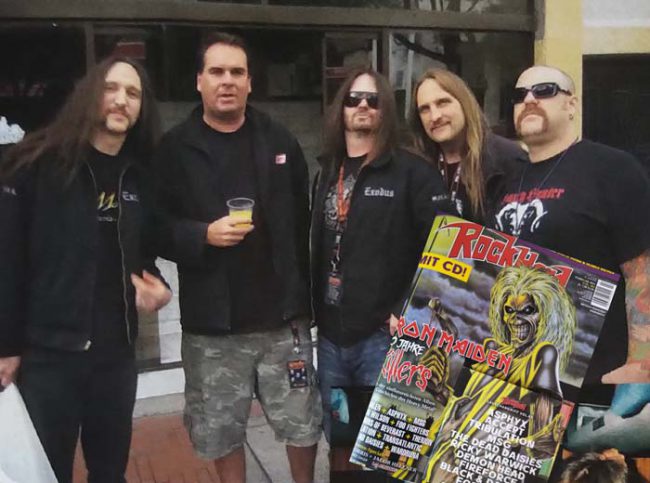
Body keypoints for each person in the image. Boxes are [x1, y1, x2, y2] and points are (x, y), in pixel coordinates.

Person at [151, 32, 320, 483]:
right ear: (199, 81)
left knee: (302, 422)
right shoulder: (175, 149)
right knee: (221, 432)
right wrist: (201, 234)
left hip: (282, 321)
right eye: (217, 71)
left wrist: (305, 300)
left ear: (249, 82)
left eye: (236, 72)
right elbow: (153, 226)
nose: (227, 80)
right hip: (213, 327)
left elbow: (303, 218)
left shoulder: (279, 139)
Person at [0, 57, 171, 483]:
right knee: (45, 473)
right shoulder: (38, 164)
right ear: (89, 95)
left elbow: (141, 252)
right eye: (111, 88)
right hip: (50, 356)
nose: (121, 100)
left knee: (110, 472)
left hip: (115, 358)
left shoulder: (138, 176)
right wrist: (6, 345)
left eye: (133, 93)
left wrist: (158, 286)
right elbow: (8, 259)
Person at [311, 67, 450, 438]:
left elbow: (446, 250)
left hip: (384, 337)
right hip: (331, 336)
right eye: (353, 99)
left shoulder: (413, 172)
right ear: (340, 108)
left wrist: (410, 307)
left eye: (373, 100)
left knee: (388, 445)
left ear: (385, 109)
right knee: (340, 438)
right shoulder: (327, 170)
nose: (363, 106)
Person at [492, 65, 650, 390]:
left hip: (595, 379)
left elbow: (641, 270)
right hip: (521, 377)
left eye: (545, 90)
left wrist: (640, 364)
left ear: (572, 105)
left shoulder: (613, 168)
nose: (530, 99)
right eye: (520, 95)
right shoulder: (505, 181)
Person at [410, 68, 526, 223]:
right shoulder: (415, 166)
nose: (435, 116)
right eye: (425, 109)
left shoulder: (507, 159)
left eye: (442, 103)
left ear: (464, 103)